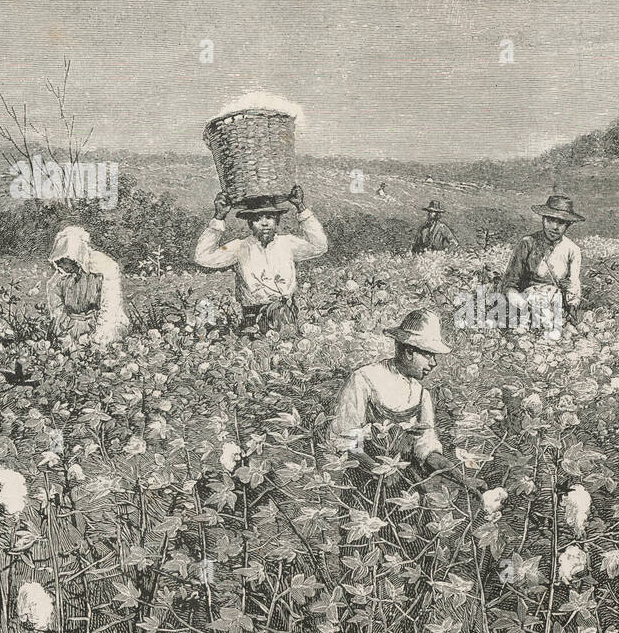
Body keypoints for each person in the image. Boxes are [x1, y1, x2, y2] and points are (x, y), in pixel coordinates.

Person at [330, 309, 484, 497]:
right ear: (409, 351)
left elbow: (427, 452)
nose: (434, 363)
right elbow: (347, 440)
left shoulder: (421, 395)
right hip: (365, 488)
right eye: (429, 355)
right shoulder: (365, 379)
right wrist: (379, 470)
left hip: (408, 491)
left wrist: (463, 480)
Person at [194, 184, 327, 335]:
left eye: (269, 217)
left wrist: (301, 207)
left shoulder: (287, 243)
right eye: (257, 218)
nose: (264, 223)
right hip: (253, 320)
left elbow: (320, 246)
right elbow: (203, 257)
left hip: (287, 316)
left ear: (277, 221)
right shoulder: (240, 247)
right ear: (250, 223)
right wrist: (219, 217)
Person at [498, 192, 585, 331]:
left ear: (568, 225)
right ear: (543, 219)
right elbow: (509, 284)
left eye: (561, 222)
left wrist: (572, 305)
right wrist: (523, 305)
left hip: (555, 307)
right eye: (550, 220)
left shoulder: (572, 250)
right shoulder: (527, 243)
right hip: (525, 304)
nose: (555, 227)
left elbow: (574, 284)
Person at [46, 225, 128, 346]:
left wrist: (99, 335)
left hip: (102, 323)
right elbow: (57, 307)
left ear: (75, 256)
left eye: (64, 261)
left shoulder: (103, 268)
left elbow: (110, 305)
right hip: (74, 324)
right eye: (59, 261)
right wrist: (62, 327)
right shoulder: (60, 278)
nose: (61, 266)